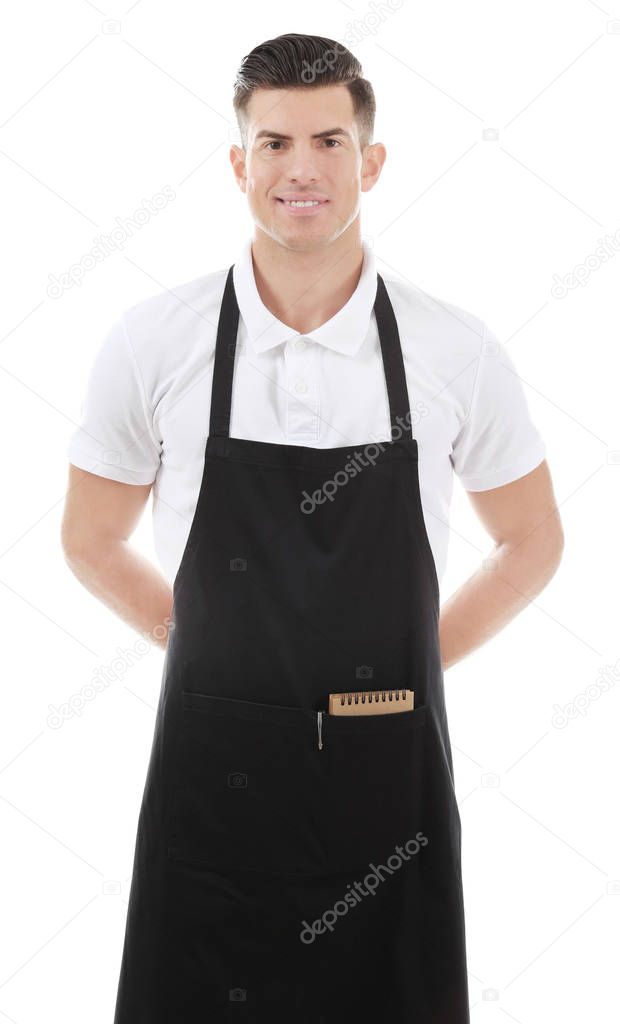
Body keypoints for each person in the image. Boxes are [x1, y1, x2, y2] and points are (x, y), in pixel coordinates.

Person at [61, 32, 564, 1024]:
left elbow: (532, 539)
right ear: (238, 162)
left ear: (368, 162)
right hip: (214, 780)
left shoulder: (449, 347)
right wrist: (201, 646)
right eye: (275, 142)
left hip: (386, 791)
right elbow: (87, 535)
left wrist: (413, 658)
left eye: (328, 141)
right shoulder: (153, 340)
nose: (301, 169)